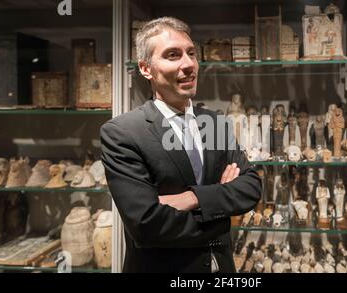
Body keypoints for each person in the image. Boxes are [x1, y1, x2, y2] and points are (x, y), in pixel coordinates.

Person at [100, 17, 262, 273]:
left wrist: (192, 198)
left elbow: (251, 187)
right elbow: (147, 225)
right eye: (173, 55)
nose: (188, 64)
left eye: (191, 53)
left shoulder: (215, 122)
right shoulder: (123, 133)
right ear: (145, 68)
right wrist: (223, 211)